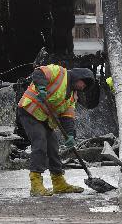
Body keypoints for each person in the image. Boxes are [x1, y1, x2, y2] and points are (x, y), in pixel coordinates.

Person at [18, 65, 96, 196]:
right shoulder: (59, 72)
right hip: (29, 111)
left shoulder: (72, 96)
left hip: (45, 118)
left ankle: (58, 182)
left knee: (53, 147)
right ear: (79, 77)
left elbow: (68, 116)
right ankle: (36, 184)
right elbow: (38, 73)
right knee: (40, 142)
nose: (84, 88)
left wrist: (70, 135)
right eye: (84, 84)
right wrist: (41, 87)